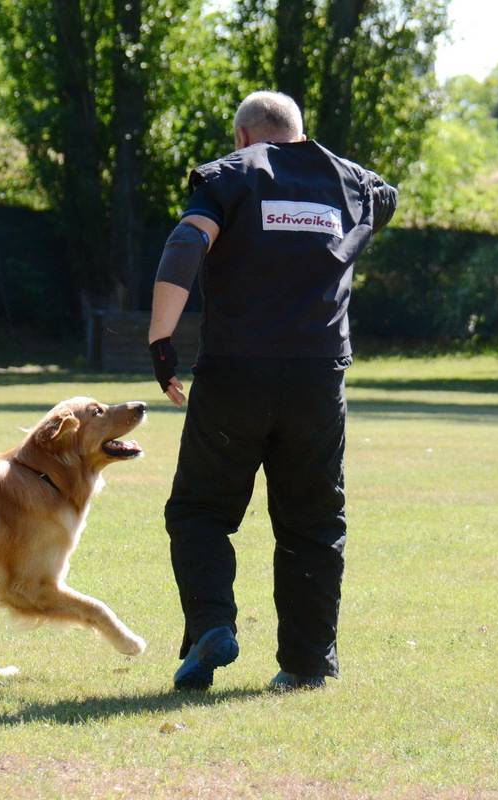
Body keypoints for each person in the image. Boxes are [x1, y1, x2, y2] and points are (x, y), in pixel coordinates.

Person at [147, 91, 397, 692]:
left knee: (200, 512)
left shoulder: (230, 178)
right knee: (313, 522)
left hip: (235, 374)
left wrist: (161, 340)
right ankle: (307, 667)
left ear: (241, 138)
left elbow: (186, 244)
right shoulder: (352, 184)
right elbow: (383, 197)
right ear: (301, 134)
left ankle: (212, 625)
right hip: (317, 379)